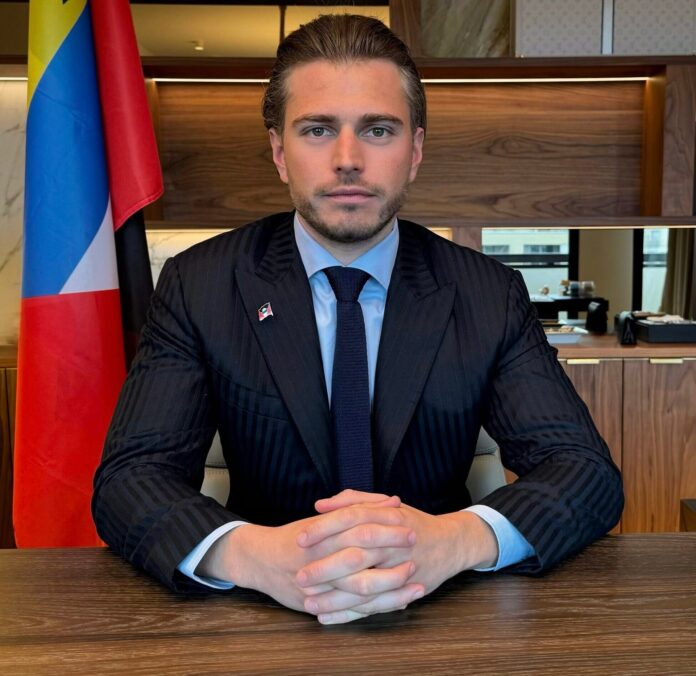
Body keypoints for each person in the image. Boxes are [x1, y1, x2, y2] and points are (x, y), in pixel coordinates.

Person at [93, 14, 623, 625]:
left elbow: (585, 473)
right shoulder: (200, 284)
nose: (348, 160)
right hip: (259, 617)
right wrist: (255, 556)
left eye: (377, 129)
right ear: (279, 152)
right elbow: (130, 479)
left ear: (414, 151)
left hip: (442, 613)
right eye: (318, 130)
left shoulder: (487, 293)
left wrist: (451, 542)